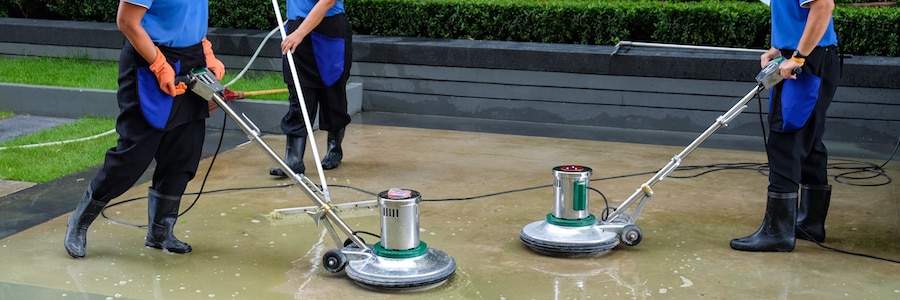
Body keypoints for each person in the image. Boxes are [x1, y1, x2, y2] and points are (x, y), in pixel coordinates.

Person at [63, 0, 225, 258]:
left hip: (191, 59)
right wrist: (160, 65)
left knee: (184, 153)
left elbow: (189, 18)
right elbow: (126, 21)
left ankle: (160, 232)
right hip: (148, 58)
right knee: (133, 155)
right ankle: (79, 221)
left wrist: (207, 53)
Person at [730, 0, 840, 252]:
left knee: (785, 139)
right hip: (805, 56)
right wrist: (776, 47)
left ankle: (776, 233)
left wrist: (798, 57)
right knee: (809, 141)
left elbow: (823, 6)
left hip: (806, 61)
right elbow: (792, 12)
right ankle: (810, 224)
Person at [269, 0, 352, 177]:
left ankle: (334, 148)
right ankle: (293, 160)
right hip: (296, 30)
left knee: (332, 96)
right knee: (298, 95)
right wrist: (297, 32)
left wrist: (300, 33)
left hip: (327, 30)